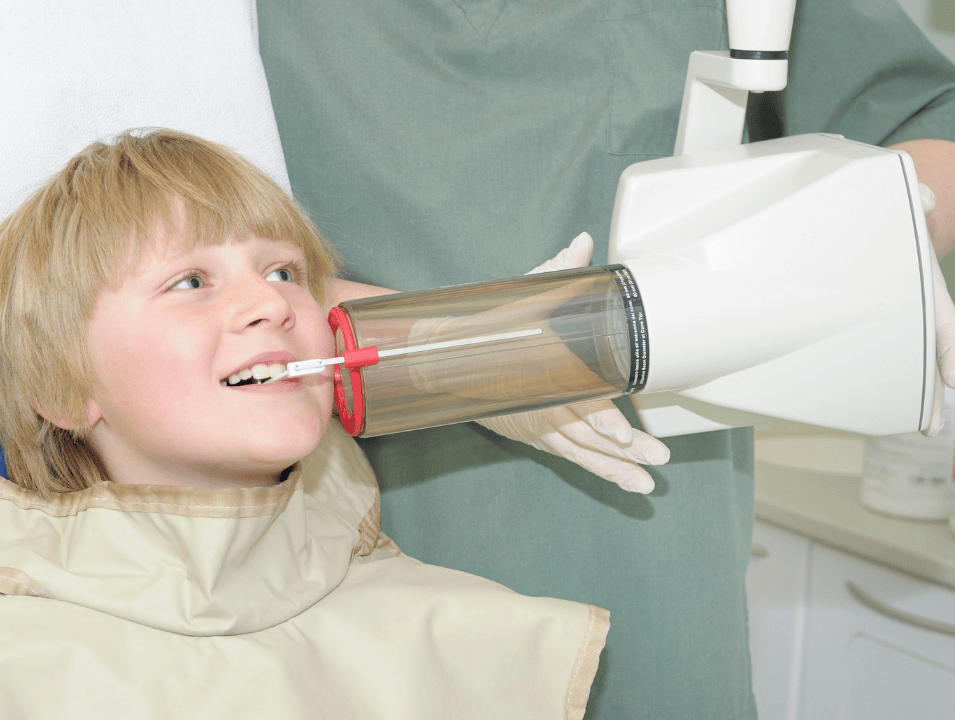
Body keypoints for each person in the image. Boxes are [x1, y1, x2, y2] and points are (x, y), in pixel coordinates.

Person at [0, 129, 610, 718]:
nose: (269, 303)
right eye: (190, 283)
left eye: (284, 270)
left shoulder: (452, 634)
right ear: (62, 389)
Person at [255, 1, 955, 718]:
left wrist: (886, 231)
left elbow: (926, 115)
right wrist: (451, 354)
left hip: (639, 561)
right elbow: (162, 241)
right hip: (321, 544)